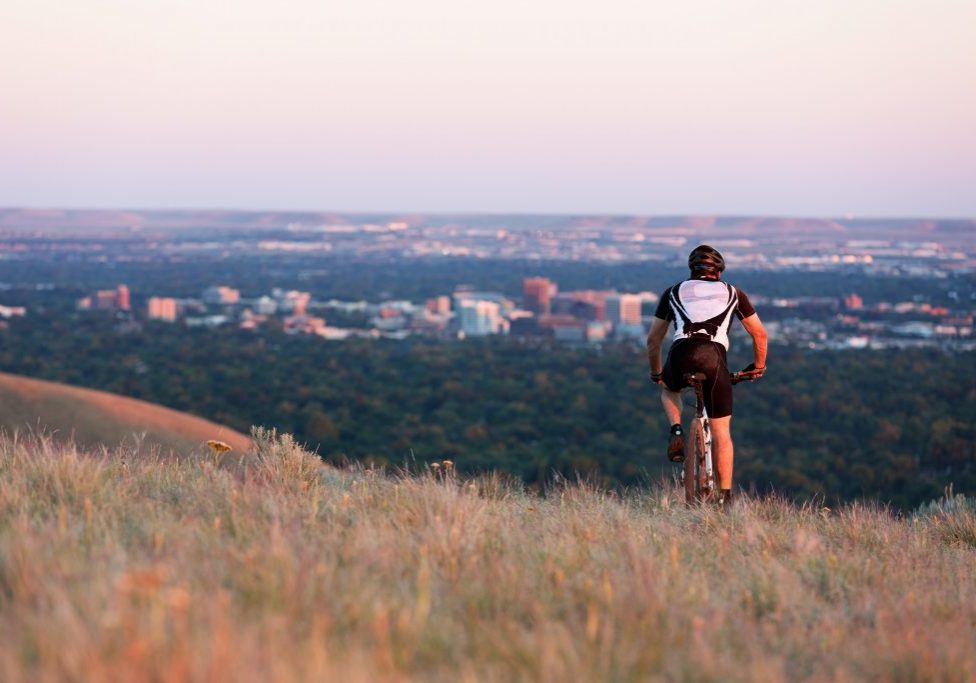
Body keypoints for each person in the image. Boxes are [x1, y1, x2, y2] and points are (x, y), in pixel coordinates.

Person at [645, 245, 768, 505]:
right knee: (721, 430)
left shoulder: (674, 291)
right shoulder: (734, 293)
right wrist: (757, 367)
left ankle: (677, 429)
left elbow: (653, 340)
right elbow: (759, 334)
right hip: (714, 357)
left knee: (669, 387)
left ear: (692, 270)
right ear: (719, 272)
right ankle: (725, 497)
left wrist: (657, 372)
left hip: (680, 352)